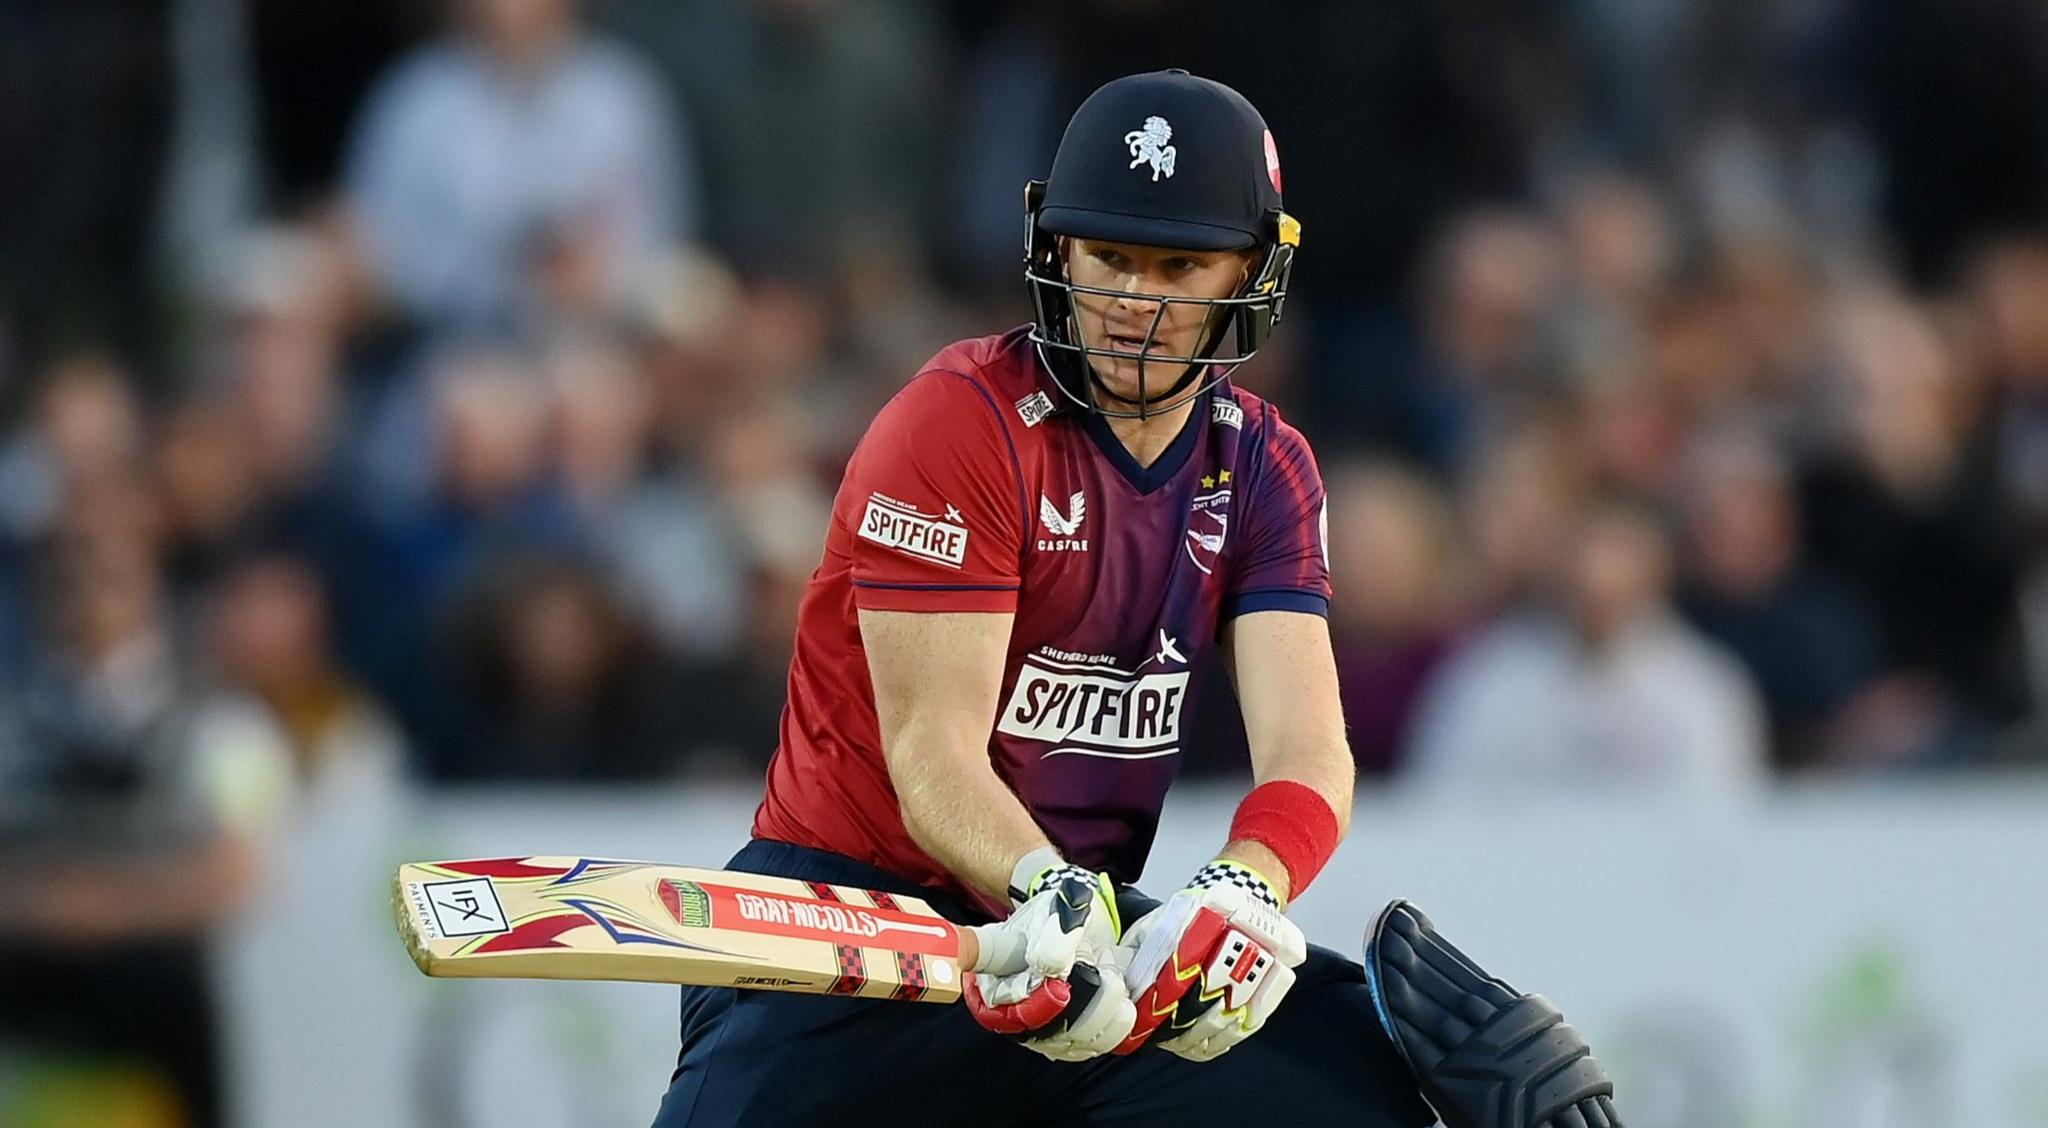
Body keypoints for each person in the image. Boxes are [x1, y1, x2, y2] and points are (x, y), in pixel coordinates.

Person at [655, 71, 1622, 1128]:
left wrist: (1242, 890)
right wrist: (1043, 885)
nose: (1135, 301)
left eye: (1178, 265)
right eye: (1109, 256)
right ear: (1054, 250)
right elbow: (930, 753)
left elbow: (1308, 753)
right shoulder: (956, 425)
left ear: (1248, 274)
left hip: (1074, 953)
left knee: (1365, 1080)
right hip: (863, 938)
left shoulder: (1263, 465)